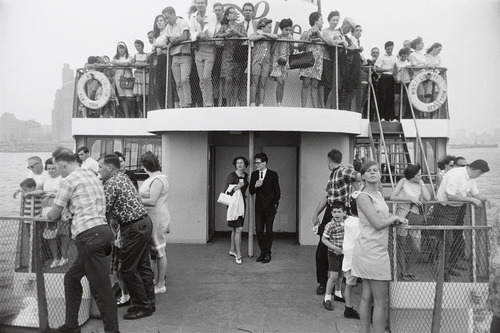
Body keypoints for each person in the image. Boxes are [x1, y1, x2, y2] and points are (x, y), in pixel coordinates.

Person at [47, 148, 119, 333]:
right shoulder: (91, 175)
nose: (58, 171)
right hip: (102, 232)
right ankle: (71, 326)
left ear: (62, 164)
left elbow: (54, 214)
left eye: (57, 167)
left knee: (102, 291)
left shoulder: (68, 180)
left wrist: (49, 213)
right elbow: (84, 205)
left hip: (88, 236)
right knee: (71, 278)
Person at [351, 160, 406, 333]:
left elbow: (382, 215)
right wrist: (395, 218)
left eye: (375, 170)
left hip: (375, 249)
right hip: (371, 251)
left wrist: (392, 218)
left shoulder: (379, 194)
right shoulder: (362, 196)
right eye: (368, 171)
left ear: (380, 175)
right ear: (363, 176)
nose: (373, 173)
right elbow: (377, 223)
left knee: (368, 297)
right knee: (382, 301)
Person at [98, 154, 155, 320]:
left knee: (127, 269)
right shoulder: (123, 177)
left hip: (133, 228)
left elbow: (104, 210)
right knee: (143, 266)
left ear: (109, 168)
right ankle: (148, 302)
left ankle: (143, 306)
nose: (99, 171)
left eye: (100, 167)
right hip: (144, 223)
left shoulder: (111, 184)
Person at [435, 159, 495, 280]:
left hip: (457, 209)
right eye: (481, 174)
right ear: (477, 171)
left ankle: (447, 268)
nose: (479, 176)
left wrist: (487, 199)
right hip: (444, 209)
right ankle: (441, 273)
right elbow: (450, 196)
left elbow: (476, 194)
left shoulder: (470, 178)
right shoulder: (456, 174)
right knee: (446, 240)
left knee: (456, 239)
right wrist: (471, 200)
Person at [312, 149, 361, 295]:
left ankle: (339, 280)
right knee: (325, 247)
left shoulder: (341, 171)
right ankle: (326, 282)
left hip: (341, 210)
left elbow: (358, 176)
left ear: (329, 160)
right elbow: (327, 195)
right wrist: (316, 213)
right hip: (331, 210)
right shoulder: (333, 175)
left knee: (342, 246)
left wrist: (354, 171)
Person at [24, 158, 68, 268]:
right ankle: (55, 258)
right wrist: (22, 191)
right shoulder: (46, 178)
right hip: (47, 208)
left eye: (53, 168)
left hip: (61, 208)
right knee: (50, 235)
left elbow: (64, 194)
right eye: (49, 169)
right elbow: (39, 190)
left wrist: (48, 194)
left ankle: (65, 257)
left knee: (63, 234)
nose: (51, 171)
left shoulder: (63, 179)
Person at [390, 164, 431, 281]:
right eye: (418, 174)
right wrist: (410, 199)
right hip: (402, 214)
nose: (420, 176)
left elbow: (427, 198)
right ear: (412, 176)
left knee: (417, 248)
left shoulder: (420, 183)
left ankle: (407, 269)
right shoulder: (403, 181)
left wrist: (422, 183)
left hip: (415, 216)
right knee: (401, 245)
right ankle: (403, 271)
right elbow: (393, 197)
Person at [139, 151, 170, 294]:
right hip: (154, 217)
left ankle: (160, 284)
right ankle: (157, 279)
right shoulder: (157, 178)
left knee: (159, 250)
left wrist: (135, 199)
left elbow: (152, 201)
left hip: (156, 217)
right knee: (155, 250)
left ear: (145, 166)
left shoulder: (157, 180)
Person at [321, 201, 358, 316]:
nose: (337, 214)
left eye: (339, 212)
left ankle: (337, 293)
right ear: (331, 213)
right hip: (334, 253)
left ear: (344, 212)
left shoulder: (347, 221)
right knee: (333, 276)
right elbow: (324, 239)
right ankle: (327, 297)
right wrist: (334, 248)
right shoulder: (330, 225)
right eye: (334, 212)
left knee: (341, 274)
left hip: (344, 253)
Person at [249, 152, 281, 263]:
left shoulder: (273, 174)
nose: (256, 165)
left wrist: (276, 204)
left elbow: (277, 191)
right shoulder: (254, 175)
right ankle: (263, 252)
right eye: (255, 163)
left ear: (264, 163)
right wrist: (255, 186)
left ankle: (268, 253)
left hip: (270, 207)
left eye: (258, 163)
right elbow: (251, 191)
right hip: (259, 207)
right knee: (258, 230)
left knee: (269, 231)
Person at [215, 6, 247, 107]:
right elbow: (216, 36)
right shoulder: (224, 26)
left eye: (235, 12)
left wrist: (237, 33)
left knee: (237, 80)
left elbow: (246, 37)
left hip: (238, 55)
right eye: (231, 13)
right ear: (228, 16)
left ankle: (233, 103)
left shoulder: (240, 26)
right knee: (227, 79)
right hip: (227, 54)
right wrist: (226, 34)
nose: (234, 14)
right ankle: (228, 103)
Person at [190, 0, 218, 107]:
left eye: (202, 2)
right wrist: (198, 35)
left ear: (206, 4)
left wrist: (202, 23)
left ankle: (209, 103)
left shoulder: (212, 16)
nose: (200, 5)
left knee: (207, 77)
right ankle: (205, 102)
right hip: (198, 49)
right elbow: (192, 34)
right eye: (198, 3)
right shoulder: (193, 16)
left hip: (209, 48)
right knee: (201, 79)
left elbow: (210, 34)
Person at [164, 6, 192, 108]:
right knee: (178, 82)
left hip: (184, 55)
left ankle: (188, 103)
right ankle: (183, 103)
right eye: (165, 19)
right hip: (174, 57)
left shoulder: (182, 22)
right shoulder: (168, 27)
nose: (166, 20)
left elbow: (185, 36)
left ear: (173, 14)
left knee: (185, 79)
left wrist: (175, 40)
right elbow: (167, 40)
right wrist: (173, 40)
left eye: (167, 17)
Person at [224, 156, 249, 264]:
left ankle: (232, 249)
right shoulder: (231, 176)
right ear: (235, 164)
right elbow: (226, 192)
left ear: (245, 165)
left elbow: (246, 190)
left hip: (242, 205)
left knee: (235, 229)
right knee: (238, 229)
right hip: (233, 206)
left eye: (241, 163)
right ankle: (238, 254)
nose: (239, 165)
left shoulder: (246, 176)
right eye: (238, 163)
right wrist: (238, 187)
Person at [248, 18, 278, 107]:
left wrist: (264, 34)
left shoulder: (269, 36)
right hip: (256, 61)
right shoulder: (257, 34)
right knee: (255, 83)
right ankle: (252, 103)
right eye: (269, 27)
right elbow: (251, 38)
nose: (270, 29)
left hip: (266, 62)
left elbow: (276, 37)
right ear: (262, 27)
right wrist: (260, 35)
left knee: (262, 84)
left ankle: (261, 104)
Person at [341, 195, 362, 319]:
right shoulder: (362, 223)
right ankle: (370, 310)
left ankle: (348, 308)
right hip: (360, 257)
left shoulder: (347, 220)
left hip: (348, 257)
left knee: (349, 285)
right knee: (367, 285)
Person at [299, 12, 324, 108]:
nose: (323, 22)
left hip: (318, 62)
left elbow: (329, 44)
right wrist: (309, 37)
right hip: (307, 60)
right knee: (306, 83)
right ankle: (303, 107)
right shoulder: (306, 32)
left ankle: (315, 108)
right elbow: (300, 47)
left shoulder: (322, 34)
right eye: (321, 19)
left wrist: (320, 36)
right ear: (316, 20)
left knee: (315, 85)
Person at [319, 11, 342, 109]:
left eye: (337, 20)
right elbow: (331, 42)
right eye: (333, 20)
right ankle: (322, 105)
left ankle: (328, 105)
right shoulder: (324, 31)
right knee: (322, 84)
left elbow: (338, 42)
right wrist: (331, 40)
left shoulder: (338, 32)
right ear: (329, 20)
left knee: (333, 85)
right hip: (324, 59)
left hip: (334, 60)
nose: (335, 22)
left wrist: (332, 40)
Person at [269, 18, 294, 107]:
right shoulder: (277, 37)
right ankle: (278, 103)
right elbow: (271, 51)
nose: (288, 32)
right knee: (279, 81)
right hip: (277, 62)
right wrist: (276, 41)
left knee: (282, 83)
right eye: (286, 30)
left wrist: (291, 43)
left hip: (285, 63)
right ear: (281, 29)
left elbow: (291, 52)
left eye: (289, 30)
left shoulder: (290, 38)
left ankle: (280, 102)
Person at [112, 41, 136, 118]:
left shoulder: (129, 56)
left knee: (130, 98)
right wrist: (117, 63)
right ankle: (127, 116)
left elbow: (127, 64)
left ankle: (132, 114)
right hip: (118, 79)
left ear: (125, 49)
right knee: (122, 98)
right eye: (120, 48)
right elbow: (113, 65)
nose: (121, 50)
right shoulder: (115, 57)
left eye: (123, 48)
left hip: (127, 78)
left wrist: (116, 63)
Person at [374, 41, 397, 121]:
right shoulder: (381, 57)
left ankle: (389, 117)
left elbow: (397, 68)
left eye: (391, 49)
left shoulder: (395, 57)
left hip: (391, 78)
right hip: (383, 78)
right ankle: (382, 117)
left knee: (390, 99)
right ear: (385, 49)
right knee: (383, 98)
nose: (390, 50)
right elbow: (376, 68)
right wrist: (386, 69)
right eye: (388, 49)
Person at [131, 39, 149, 118]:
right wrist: (135, 65)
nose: (137, 48)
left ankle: (146, 113)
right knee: (138, 97)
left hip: (145, 75)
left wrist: (144, 65)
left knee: (146, 95)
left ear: (142, 46)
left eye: (138, 46)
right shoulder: (135, 55)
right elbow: (132, 63)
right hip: (138, 76)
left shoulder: (147, 55)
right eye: (136, 46)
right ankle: (140, 111)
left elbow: (149, 64)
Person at [393, 48, 412, 119]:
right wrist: (397, 81)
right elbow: (394, 74)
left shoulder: (409, 62)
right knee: (396, 99)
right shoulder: (397, 62)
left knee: (404, 99)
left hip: (406, 82)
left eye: (405, 56)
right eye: (402, 56)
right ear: (399, 56)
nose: (404, 58)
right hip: (399, 82)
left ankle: (403, 116)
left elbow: (411, 73)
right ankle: (396, 115)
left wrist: (409, 68)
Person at [212, 2, 224, 106]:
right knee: (214, 78)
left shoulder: (225, 23)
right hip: (213, 51)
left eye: (219, 10)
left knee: (223, 78)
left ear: (223, 11)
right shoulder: (211, 23)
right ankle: (215, 102)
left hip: (224, 52)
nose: (217, 12)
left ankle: (224, 102)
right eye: (215, 10)